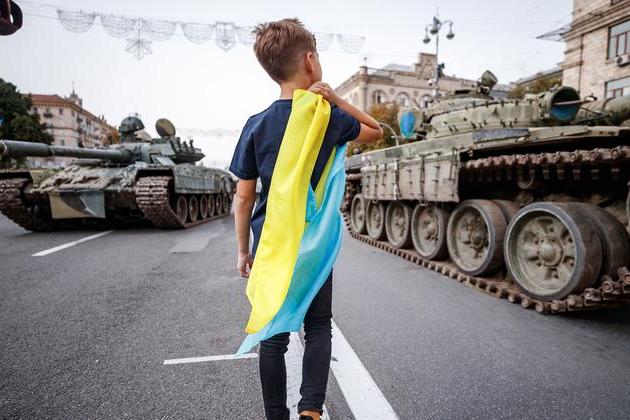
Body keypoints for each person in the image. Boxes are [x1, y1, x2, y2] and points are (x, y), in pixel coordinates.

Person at [229, 18, 382, 420]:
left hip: (273, 243)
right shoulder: (325, 116)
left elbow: (243, 197)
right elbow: (376, 130)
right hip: (314, 243)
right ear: (310, 61)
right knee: (317, 327)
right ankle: (311, 410)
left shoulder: (256, 125)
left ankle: (276, 415)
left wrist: (244, 250)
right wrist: (337, 99)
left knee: (273, 336)